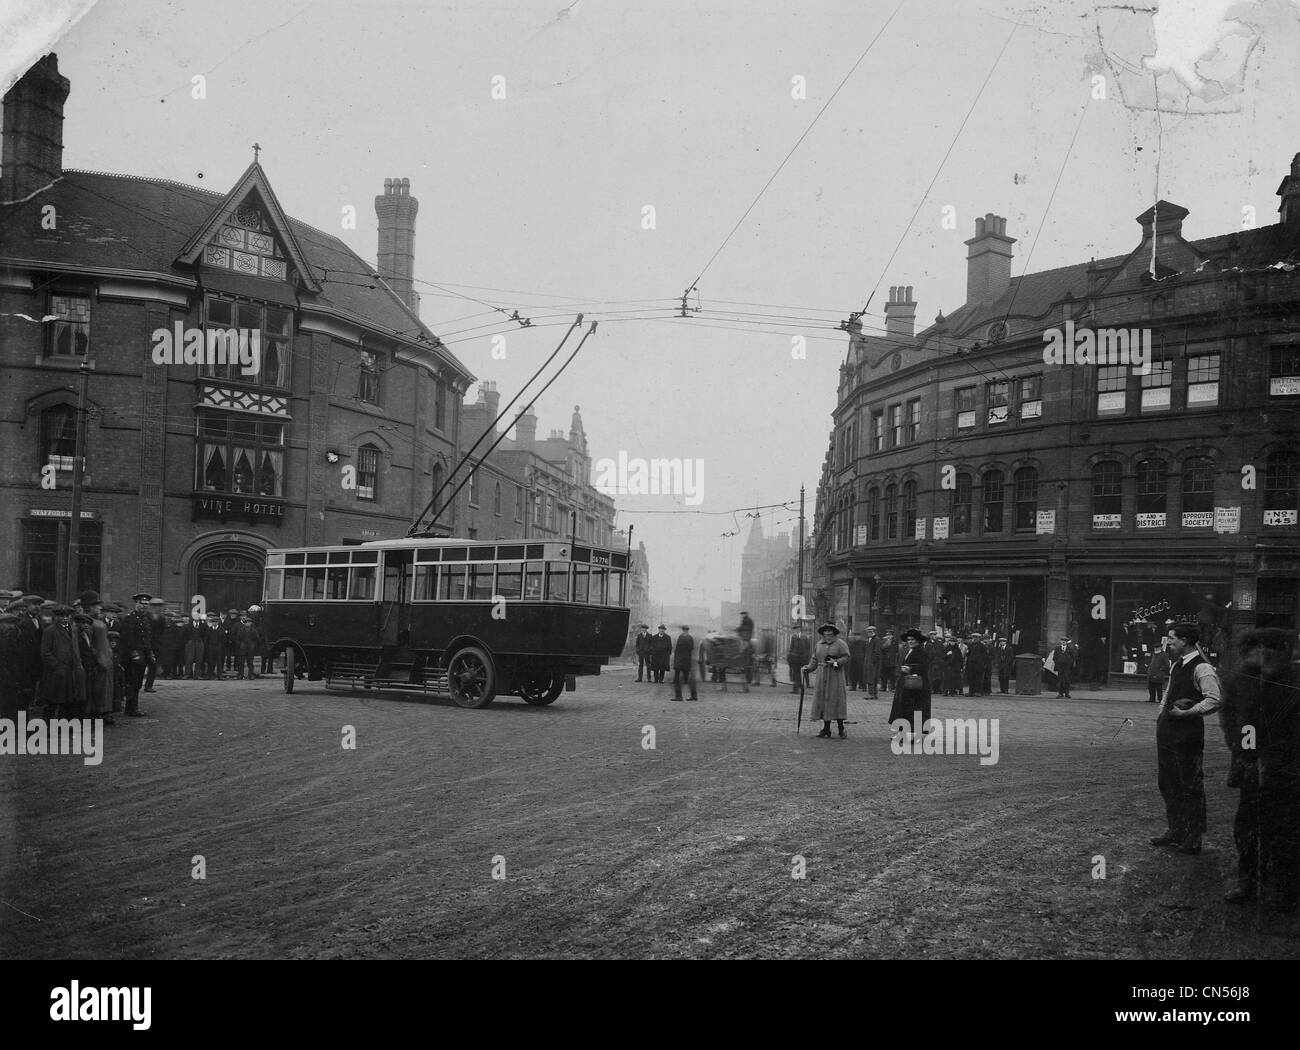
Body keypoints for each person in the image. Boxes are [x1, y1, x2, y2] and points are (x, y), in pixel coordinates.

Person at [1219, 628, 1299, 912]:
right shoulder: (1242, 681)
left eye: (1271, 648)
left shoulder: (1294, 681)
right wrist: (1238, 748)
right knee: (1247, 827)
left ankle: (1283, 886)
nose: (1263, 654)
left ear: (1285, 653)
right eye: (1257, 647)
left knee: (1285, 829)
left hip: (1286, 769)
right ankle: (1248, 879)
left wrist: (1281, 758)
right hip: (1251, 764)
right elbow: (1229, 714)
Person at [1151, 623, 1223, 855]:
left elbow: (1214, 699)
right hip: (1168, 730)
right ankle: (1176, 831)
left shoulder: (1202, 668)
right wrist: (1161, 715)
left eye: (1172, 638)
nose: (1168, 642)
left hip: (1187, 733)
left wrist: (1188, 712)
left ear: (1184, 641)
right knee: (1168, 782)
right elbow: (1168, 693)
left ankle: (1192, 838)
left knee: (1190, 785)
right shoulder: (1175, 666)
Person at [804, 622, 849, 738]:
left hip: (835, 676)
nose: (828, 633)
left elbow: (846, 657)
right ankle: (826, 729)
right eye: (826, 631)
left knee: (836, 700)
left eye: (830, 631)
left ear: (834, 632)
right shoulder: (819, 644)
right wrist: (808, 668)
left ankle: (841, 728)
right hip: (821, 676)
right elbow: (814, 659)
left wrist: (836, 662)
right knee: (823, 700)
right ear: (823, 632)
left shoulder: (840, 644)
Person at [39, 605, 82, 719]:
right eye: (61, 616)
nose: (65, 618)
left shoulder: (73, 629)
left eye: (67, 616)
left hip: (70, 670)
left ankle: (64, 725)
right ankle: (47, 726)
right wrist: (57, 666)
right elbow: (45, 652)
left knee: (68, 700)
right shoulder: (50, 630)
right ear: (56, 617)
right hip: (56, 672)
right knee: (52, 700)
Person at [889, 629, 933, 737]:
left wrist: (910, 669)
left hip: (917, 686)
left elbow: (925, 667)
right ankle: (903, 732)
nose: (910, 641)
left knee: (915, 709)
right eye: (908, 639)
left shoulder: (921, 652)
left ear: (918, 640)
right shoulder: (909, 651)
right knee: (905, 709)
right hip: (907, 685)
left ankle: (913, 734)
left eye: (913, 639)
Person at [118, 592, 155, 716]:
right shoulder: (130, 618)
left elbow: (147, 638)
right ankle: (131, 709)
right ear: (136, 604)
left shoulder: (146, 618)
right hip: (132, 656)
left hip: (143, 655)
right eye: (142, 603)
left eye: (146, 604)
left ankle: (132, 708)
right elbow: (128, 638)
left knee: (138, 683)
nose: (144, 606)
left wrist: (149, 653)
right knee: (132, 682)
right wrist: (135, 654)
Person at [143, 597, 168, 692]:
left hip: (156, 646)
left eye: (159, 606)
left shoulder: (162, 619)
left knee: (153, 666)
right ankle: (136, 684)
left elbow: (162, 633)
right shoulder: (145, 616)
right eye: (155, 606)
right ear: (151, 607)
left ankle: (148, 686)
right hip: (145, 644)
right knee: (140, 665)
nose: (157, 608)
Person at [670, 625, 698, 702]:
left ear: (682, 630)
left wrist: (675, 662)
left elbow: (677, 650)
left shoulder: (680, 637)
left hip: (679, 661)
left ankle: (679, 696)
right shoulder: (690, 638)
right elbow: (691, 649)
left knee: (676, 679)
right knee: (688, 679)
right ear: (687, 630)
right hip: (686, 661)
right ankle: (694, 696)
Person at [786, 627, 810, 694]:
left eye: (796, 630)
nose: (795, 631)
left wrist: (806, 656)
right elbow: (791, 647)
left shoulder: (804, 637)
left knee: (804, 672)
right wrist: (790, 656)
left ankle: (805, 685)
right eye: (794, 630)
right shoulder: (793, 637)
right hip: (795, 659)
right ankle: (796, 689)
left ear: (799, 630)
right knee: (796, 674)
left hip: (803, 659)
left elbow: (808, 648)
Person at [204, 611, 225, 679]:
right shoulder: (209, 630)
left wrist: (221, 646)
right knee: (210, 662)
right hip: (211, 648)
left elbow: (224, 639)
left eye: (216, 622)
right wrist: (208, 647)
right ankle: (209, 675)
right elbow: (206, 639)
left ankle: (219, 675)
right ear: (211, 623)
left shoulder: (221, 629)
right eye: (213, 622)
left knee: (219, 662)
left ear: (218, 622)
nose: (214, 623)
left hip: (219, 648)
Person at [864, 626, 882, 699]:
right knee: (870, 677)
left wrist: (872, 661)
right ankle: (872, 693)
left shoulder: (876, 640)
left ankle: (872, 694)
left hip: (873, 663)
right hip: (868, 662)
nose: (869, 633)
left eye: (870, 632)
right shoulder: (868, 640)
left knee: (872, 678)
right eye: (868, 632)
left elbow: (877, 652)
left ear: (874, 632)